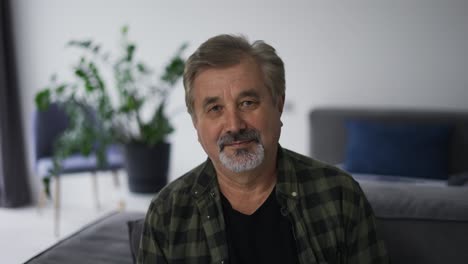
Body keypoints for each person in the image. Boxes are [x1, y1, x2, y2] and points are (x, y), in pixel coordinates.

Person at [137, 34, 389, 264]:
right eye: (215, 109)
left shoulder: (339, 195)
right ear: (196, 123)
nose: (234, 125)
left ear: (278, 105)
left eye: (247, 103)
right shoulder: (167, 213)